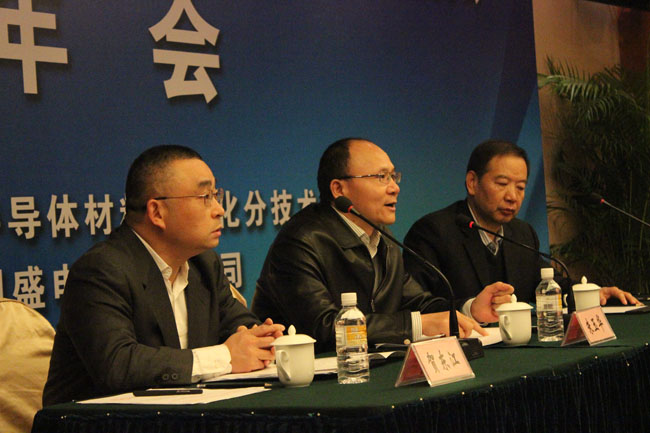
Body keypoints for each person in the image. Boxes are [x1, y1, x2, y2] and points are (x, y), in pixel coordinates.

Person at [43, 145, 284, 406]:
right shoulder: (101, 270)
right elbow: (117, 365)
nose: (219, 210)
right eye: (205, 196)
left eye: (216, 195)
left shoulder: (203, 264)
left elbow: (239, 324)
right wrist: (225, 356)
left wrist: (263, 341)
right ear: (157, 212)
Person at [251, 138, 486, 353]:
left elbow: (418, 302)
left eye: (393, 176)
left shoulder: (382, 239)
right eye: (381, 177)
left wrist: (470, 308)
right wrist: (416, 324)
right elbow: (323, 328)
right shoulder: (301, 242)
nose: (394, 187)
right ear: (339, 189)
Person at [403, 139, 639, 323]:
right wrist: (469, 308)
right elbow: (416, 305)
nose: (512, 196)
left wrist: (592, 293)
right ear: (472, 182)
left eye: (520, 187)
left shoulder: (522, 233)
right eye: (502, 184)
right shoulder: (433, 233)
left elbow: (547, 283)